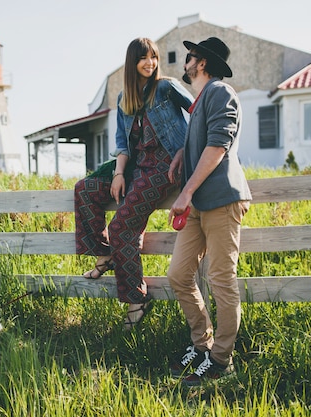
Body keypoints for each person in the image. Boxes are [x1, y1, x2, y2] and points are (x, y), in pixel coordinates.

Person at [74, 37, 193, 331]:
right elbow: (122, 144)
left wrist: (185, 149)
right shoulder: (123, 99)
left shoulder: (166, 87)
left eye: (153, 57)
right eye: (144, 58)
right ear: (132, 62)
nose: (150, 63)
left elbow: (199, 112)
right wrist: (117, 174)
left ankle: (136, 299)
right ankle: (106, 253)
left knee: (121, 226)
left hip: (165, 166)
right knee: (85, 189)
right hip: (137, 168)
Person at [166, 37, 252, 386]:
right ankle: (202, 345)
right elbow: (202, 143)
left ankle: (221, 361)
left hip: (220, 199)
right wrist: (181, 155)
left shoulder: (220, 92)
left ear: (200, 63)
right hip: (200, 204)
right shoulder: (200, 100)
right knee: (179, 275)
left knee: (220, 280)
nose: (185, 62)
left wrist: (185, 192)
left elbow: (219, 144)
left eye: (189, 57)